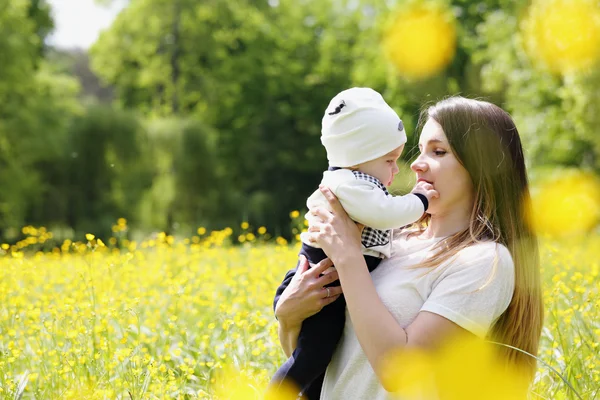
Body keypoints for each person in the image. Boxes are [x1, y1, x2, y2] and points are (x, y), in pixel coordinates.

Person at [273, 96, 544, 400]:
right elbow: (320, 359)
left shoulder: (484, 261)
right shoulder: (389, 243)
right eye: (421, 149)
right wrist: (288, 318)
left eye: (438, 151)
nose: (415, 163)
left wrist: (348, 258)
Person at [270, 87, 437, 399]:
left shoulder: (355, 182)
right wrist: (421, 200)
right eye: (389, 160)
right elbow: (387, 212)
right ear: (361, 155)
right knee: (313, 356)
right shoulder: (352, 185)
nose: (395, 170)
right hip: (324, 280)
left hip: (324, 278)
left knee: (321, 359)